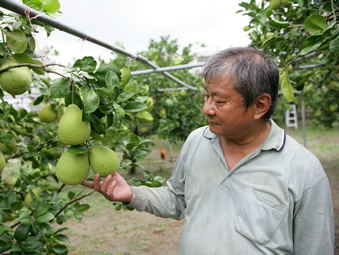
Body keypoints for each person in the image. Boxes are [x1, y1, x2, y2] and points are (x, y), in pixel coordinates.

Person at [82, 47, 334, 254]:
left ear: (260, 105)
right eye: (206, 96)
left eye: (219, 101)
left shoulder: (303, 171)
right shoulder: (196, 141)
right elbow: (177, 199)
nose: (207, 109)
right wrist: (131, 194)